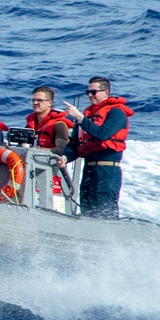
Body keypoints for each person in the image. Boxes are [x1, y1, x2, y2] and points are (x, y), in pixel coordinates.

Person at [60, 77, 135, 220]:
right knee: (87, 208)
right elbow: (75, 143)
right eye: (87, 92)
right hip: (89, 170)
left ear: (105, 93)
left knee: (104, 208)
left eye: (93, 92)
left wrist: (80, 118)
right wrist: (65, 157)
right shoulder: (88, 116)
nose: (89, 95)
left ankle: (109, 239)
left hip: (107, 171)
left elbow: (103, 134)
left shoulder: (116, 112)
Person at [25, 86, 73, 155]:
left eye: (39, 100)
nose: (35, 103)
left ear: (49, 103)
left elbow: (61, 149)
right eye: (33, 100)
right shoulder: (30, 124)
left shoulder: (59, 125)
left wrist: (38, 150)